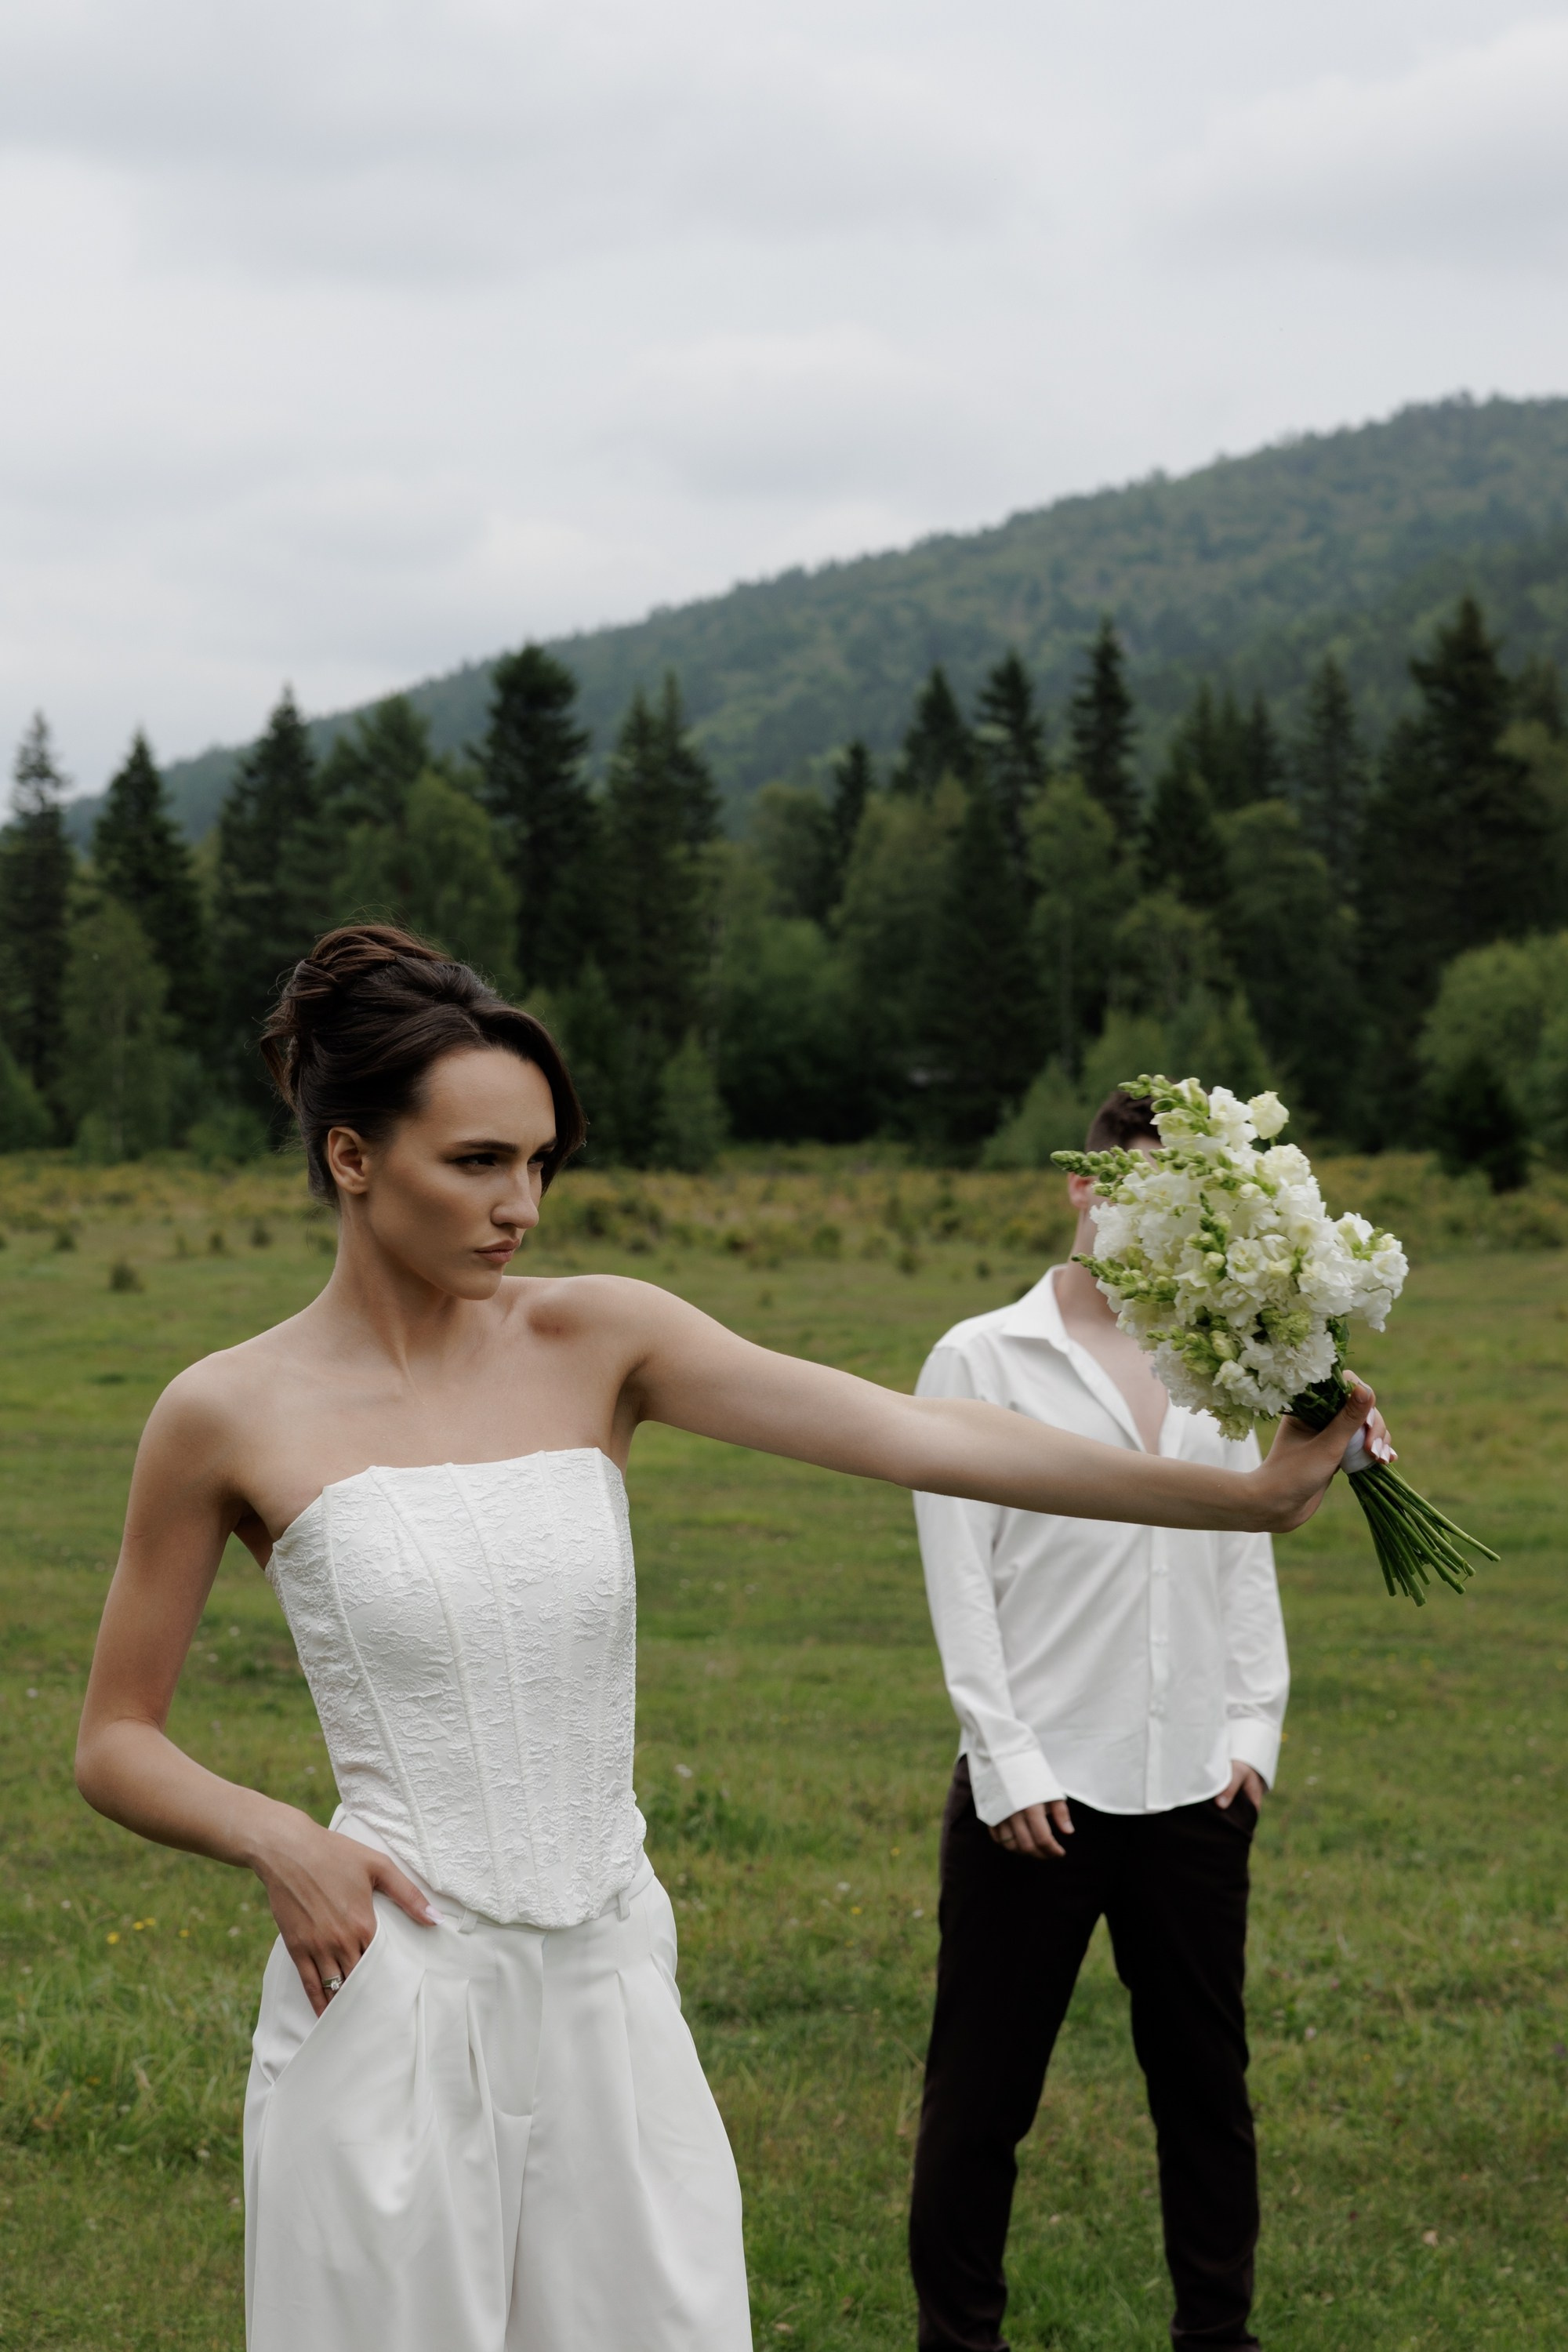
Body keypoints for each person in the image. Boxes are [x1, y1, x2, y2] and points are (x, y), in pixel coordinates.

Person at [74, 929, 1379, 2352]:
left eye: (543, 1162)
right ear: (351, 1157)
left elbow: (920, 1434)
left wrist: (1244, 1499)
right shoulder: (226, 1412)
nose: (521, 1206)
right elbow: (115, 1740)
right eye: (479, 1162)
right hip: (390, 1992)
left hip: (609, 1989)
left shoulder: (602, 1337)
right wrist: (279, 1838)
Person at [907, 1086, 1341, 2352]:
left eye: (1192, 1204)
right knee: (981, 2099)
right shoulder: (981, 1357)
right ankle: (958, 2339)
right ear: (1085, 1187)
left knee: (1207, 2093)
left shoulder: (1224, 1360)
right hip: (1036, 1795)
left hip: (1196, 1785)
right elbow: (959, 1578)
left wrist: (1253, 1731)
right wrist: (1005, 1761)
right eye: (1142, 1192)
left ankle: (1219, 2335)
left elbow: (1242, 1549)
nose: (1163, 1224)